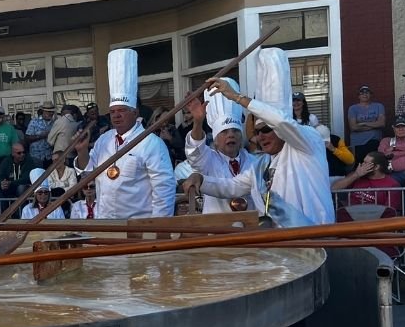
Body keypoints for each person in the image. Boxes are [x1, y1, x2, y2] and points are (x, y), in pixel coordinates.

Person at [183, 49, 334, 227]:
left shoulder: (308, 142)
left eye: (267, 129)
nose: (261, 136)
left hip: (315, 243)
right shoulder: (260, 165)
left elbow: (282, 122)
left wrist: (237, 98)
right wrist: (201, 180)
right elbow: (231, 186)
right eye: (257, 132)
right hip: (279, 248)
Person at [75, 49, 175, 220]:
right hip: (105, 222)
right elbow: (88, 171)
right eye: (113, 111)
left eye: (122, 110)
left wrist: (159, 227)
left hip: (138, 225)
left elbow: (163, 188)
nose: (116, 115)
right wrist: (82, 151)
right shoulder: (104, 139)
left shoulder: (151, 143)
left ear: (135, 112)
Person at [183, 77, 268, 214]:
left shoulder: (254, 162)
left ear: (241, 137)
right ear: (215, 139)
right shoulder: (208, 160)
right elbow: (194, 153)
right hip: (218, 230)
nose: (231, 135)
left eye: (235, 131)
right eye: (224, 132)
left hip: (251, 230)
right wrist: (198, 122)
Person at [330, 151, 403, 212]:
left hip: (373, 220)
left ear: (377, 167)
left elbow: (390, 212)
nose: (362, 165)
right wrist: (356, 175)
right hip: (350, 216)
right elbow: (334, 188)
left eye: (366, 163)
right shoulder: (358, 176)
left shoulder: (392, 184)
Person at [378, 114, 405, 184]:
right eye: (397, 127)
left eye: (403, 126)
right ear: (393, 128)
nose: (400, 129)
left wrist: (395, 148)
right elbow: (381, 156)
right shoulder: (386, 141)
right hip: (393, 174)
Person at [347, 85, 385, 163]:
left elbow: (381, 123)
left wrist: (363, 123)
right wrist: (374, 125)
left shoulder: (378, 106)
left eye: (367, 92)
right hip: (358, 143)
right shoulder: (353, 108)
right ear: (358, 96)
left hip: (374, 141)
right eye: (362, 93)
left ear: (371, 95)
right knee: (360, 164)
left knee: (373, 163)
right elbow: (354, 127)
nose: (365, 94)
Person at [25, 101, 56, 166]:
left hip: (49, 157)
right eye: (49, 111)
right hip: (36, 157)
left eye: (52, 112)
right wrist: (41, 136)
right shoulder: (34, 122)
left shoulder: (54, 123)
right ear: (43, 111)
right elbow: (27, 138)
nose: (51, 113)